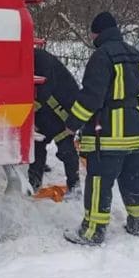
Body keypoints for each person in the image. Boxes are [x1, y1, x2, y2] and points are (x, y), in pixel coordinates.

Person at [63, 12, 139, 246]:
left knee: (99, 182)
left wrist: (71, 124)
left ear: (98, 32)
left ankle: (92, 231)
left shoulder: (101, 57)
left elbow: (91, 98)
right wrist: (137, 118)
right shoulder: (138, 56)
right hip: (135, 135)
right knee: (134, 178)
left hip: (106, 136)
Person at [29, 47, 81, 197]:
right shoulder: (34, 58)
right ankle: (34, 183)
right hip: (49, 108)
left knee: (65, 146)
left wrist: (30, 115)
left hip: (62, 109)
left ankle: (74, 186)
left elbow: (43, 91)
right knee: (38, 144)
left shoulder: (40, 60)